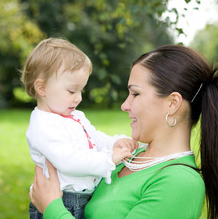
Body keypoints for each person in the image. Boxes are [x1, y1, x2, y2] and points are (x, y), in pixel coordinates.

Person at [29, 44, 218, 219]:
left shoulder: (179, 183)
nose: (124, 105)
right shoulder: (128, 156)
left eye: (135, 94)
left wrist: (52, 208)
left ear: (172, 103)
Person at [21, 38, 137, 219]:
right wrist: (108, 159)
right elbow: (68, 161)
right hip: (63, 201)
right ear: (42, 87)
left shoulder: (75, 116)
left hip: (81, 197)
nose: (79, 98)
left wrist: (115, 142)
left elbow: (94, 137)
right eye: (72, 91)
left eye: (81, 91)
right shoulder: (43, 124)